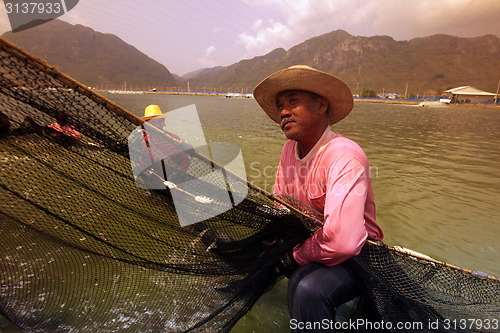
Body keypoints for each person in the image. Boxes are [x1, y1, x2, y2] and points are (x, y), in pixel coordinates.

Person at [253, 65, 384, 331]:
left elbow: (343, 242)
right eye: (280, 105)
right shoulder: (289, 150)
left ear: (321, 106)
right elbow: (282, 204)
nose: (284, 112)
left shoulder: (344, 156)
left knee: (308, 288)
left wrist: (294, 256)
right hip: (312, 243)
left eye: (293, 101)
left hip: (359, 257)